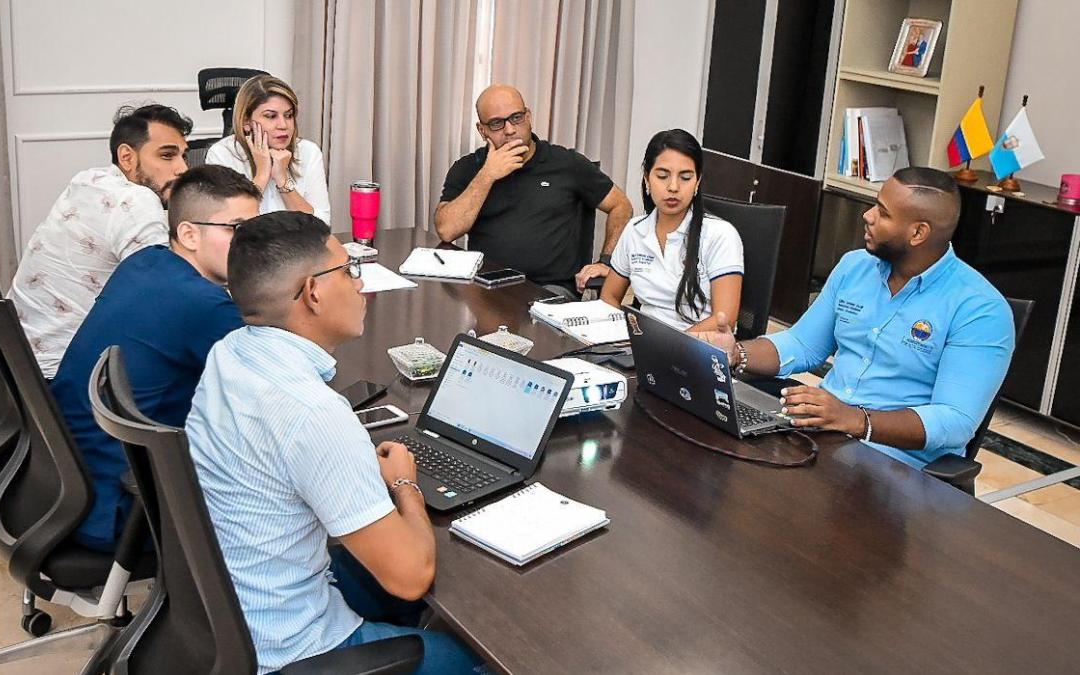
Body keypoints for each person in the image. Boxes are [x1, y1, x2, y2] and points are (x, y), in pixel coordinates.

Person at [186, 213, 484, 674]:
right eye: (349, 270)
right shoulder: (313, 412)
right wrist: (405, 482)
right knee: (480, 660)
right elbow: (411, 576)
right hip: (287, 647)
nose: (360, 285)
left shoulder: (228, 352)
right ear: (313, 292)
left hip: (226, 610)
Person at [695, 167, 1015, 469]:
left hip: (896, 468)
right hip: (820, 439)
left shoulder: (980, 310)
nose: (868, 216)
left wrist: (854, 419)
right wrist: (739, 353)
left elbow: (954, 421)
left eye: (883, 213)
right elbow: (803, 344)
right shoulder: (855, 267)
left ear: (918, 232)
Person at [49, 165, 260, 552]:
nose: (252, 246)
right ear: (189, 233)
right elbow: (277, 385)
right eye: (237, 230)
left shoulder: (145, 261)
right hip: (125, 507)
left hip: (66, 482)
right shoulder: (204, 304)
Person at [9, 103, 192, 378]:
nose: (182, 169)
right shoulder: (136, 200)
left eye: (183, 156)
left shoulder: (88, 180)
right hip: (68, 375)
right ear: (127, 157)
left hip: (21, 364)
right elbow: (163, 295)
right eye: (167, 156)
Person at [435, 84, 633, 296]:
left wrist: (607, 262)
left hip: (549, 289)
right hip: (487, 288)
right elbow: (447, 230)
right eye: (496, 124)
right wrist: (487, 175)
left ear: (528, 117)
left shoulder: (567, 164)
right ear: (482, 131)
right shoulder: (468, 168)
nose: (510, 130)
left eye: (516, 118)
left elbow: (621, 206)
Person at [600, 129, 743, 332]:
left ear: (697, 183)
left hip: (699, 348)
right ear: (647, 179)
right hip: (644, 343)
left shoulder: (720, 235)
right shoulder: (635, 230)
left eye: (685, 177)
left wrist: (671, 348)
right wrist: (627, 336)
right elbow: (609, 296)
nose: (673, 187)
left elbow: (725, 319)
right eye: (662, 176)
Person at [205, 74, 331, 225]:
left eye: (289, 115)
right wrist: (262, 175)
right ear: (246, 122)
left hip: (296, 247)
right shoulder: (222, 154)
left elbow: (322, 226)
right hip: (246, 248)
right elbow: (227, 226)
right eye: (271, 116)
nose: (283, 125)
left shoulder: (308, 152)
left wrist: (282, 179)